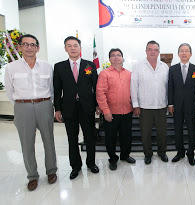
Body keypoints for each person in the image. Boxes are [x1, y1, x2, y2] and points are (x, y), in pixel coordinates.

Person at [5, 34, 57, 191]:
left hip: (44, 105)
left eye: (32, 45)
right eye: (25, 44)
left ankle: (51, 171)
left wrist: (47, 103)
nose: (29, 47)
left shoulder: (47, 66)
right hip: (23, 107)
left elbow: (52, 89)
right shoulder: (11, 68)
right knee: (27, 143)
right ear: (20, 47)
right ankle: (32, 176)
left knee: (49, 140)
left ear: (38, 48)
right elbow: (9, 90)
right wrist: (22, 105)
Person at [53, 36, 100, 180]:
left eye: (75, 45)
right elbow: (56, 90)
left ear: (80, 48)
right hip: (68, 108)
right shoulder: (59, 66)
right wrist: (58, 109)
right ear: (65, 48)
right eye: (69, 46)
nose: (73, 48)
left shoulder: (89, 65)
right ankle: (75, 166)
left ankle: (91, 163)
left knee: (90, 137)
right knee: (72, 138)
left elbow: (96, 87)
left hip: (87, 107)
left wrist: (98, 104)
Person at [96, 48, 135, 171]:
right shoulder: (104, 73)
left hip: (127, 111)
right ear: (109, 59)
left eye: (119, 55)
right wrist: (106, 111)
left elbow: (133, 91)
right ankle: (112, 159)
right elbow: (100, 93)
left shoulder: (129, 73)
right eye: (113, 55)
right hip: (111, 113)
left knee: (126, 136)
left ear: (123, 58)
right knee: (111, 138)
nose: (116, 57)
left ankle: (125, 155)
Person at [131, 40, 169, 165]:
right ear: (146, 51)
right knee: (145, 133)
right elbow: (133, 86)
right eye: (150, 49)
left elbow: (168, 86)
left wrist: (169, 103)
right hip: (144, 106)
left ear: (159, 52)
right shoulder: (138, 66)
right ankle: (148, 154)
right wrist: (135, 105)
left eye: (155, 50)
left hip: (161, 105)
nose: (153, 52)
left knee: (162, 132)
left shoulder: (164, 67)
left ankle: (162, 152)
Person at [168, 43, 195, 166]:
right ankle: (180, 152)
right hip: (177, 105)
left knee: (192, 130)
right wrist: (170, 103)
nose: (184, 53)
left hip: (191, 106)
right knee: (178, 130)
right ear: (178, 54)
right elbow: (170, 87)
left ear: (190, 54)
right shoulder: (172, 69)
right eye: (182, 51)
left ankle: (191, 153)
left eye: (186, 51)